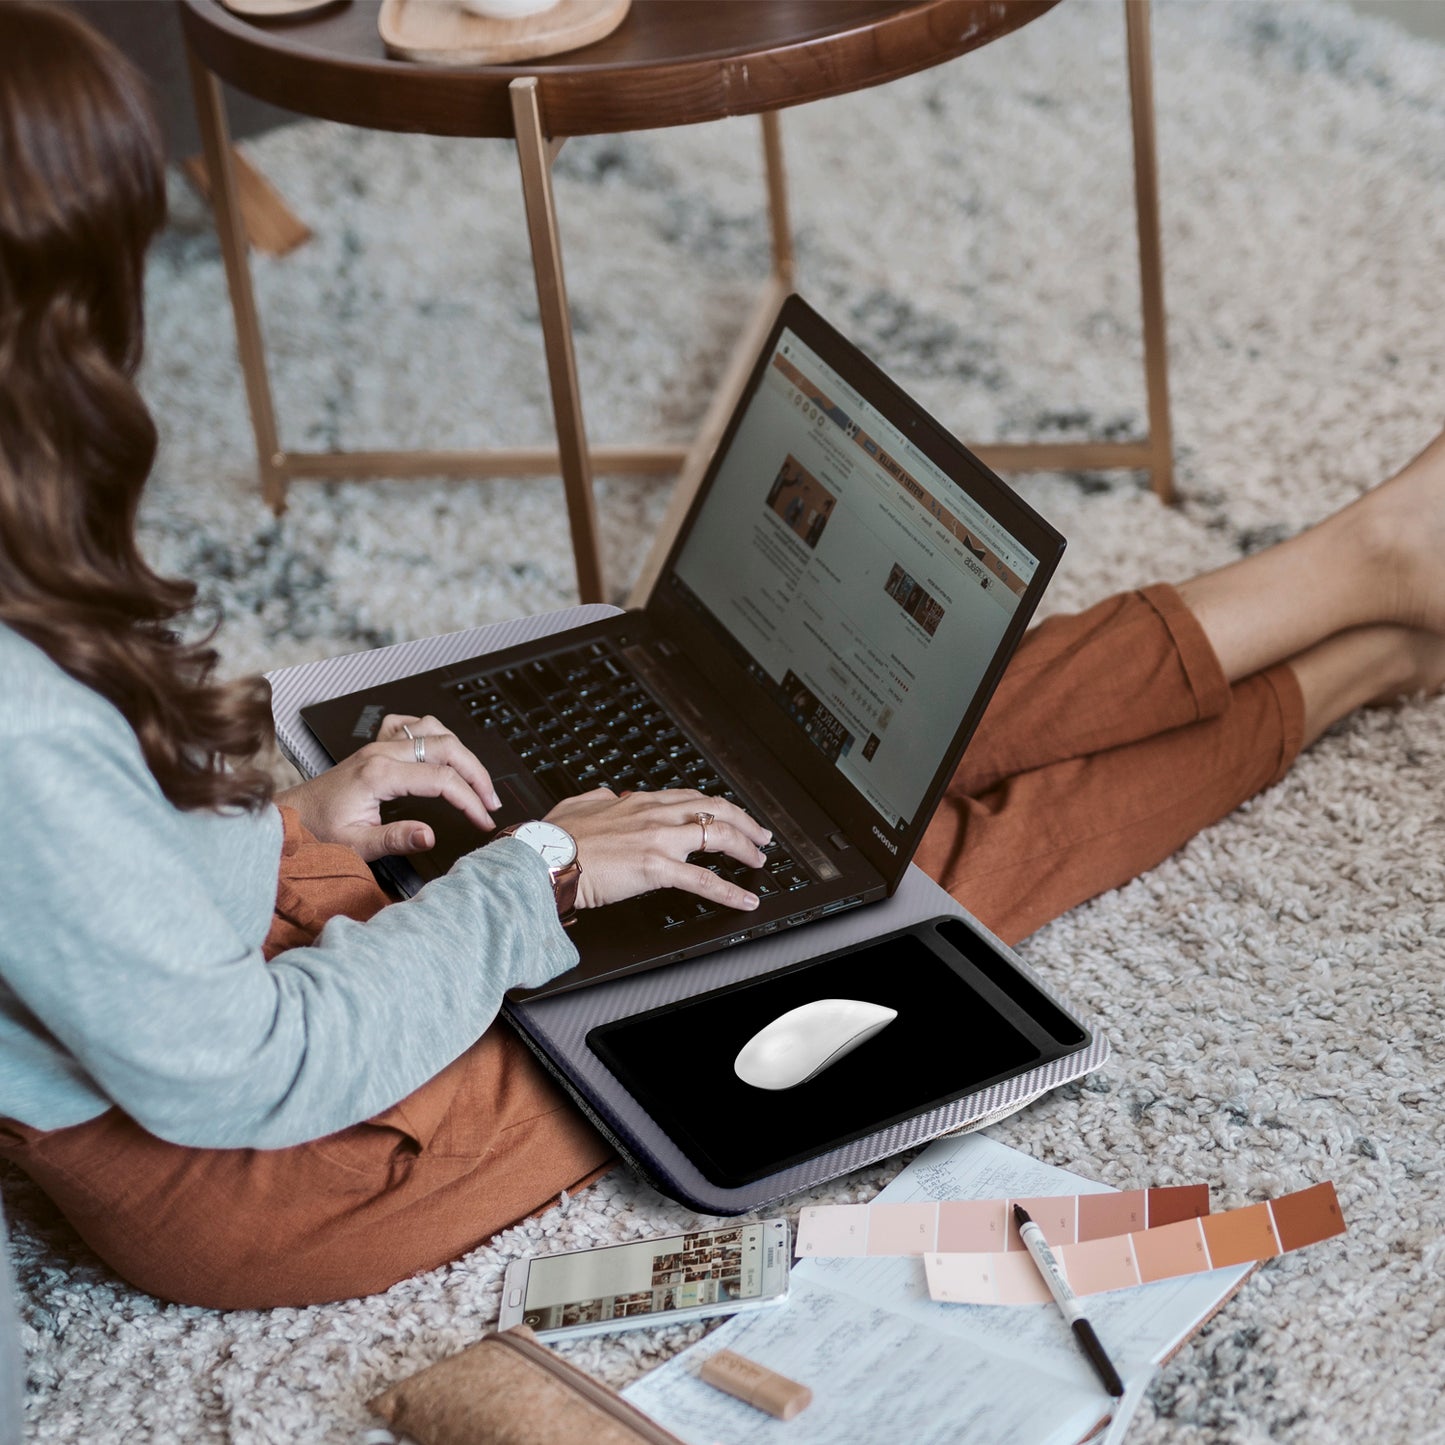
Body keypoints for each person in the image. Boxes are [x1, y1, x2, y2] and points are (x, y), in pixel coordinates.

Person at [1, 6, 1441, 1311]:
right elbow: (248, 1072)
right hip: (278, 1159)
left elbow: (85, 887)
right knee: (875, 876)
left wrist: (282, 831)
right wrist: (545, 871)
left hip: (220, 979)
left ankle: (1349, 574)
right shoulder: (20, 732)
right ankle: (1357, 658)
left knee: (830, 749)